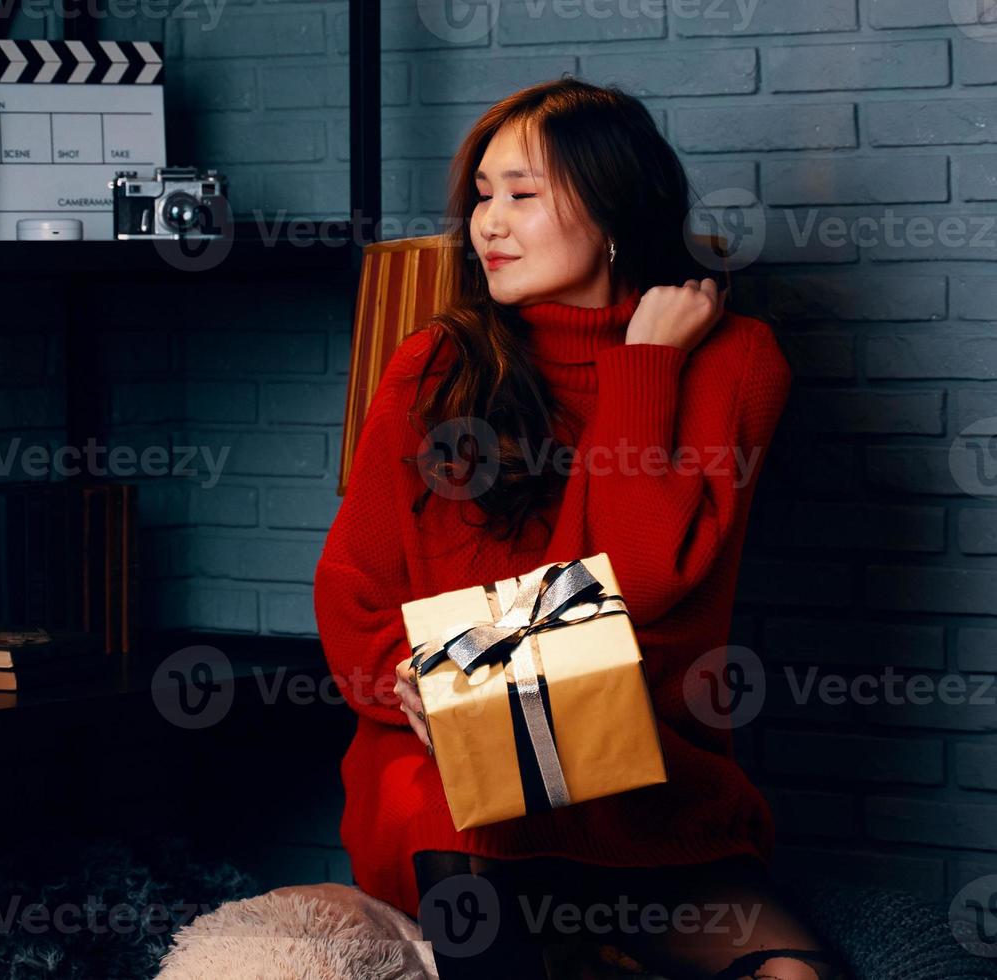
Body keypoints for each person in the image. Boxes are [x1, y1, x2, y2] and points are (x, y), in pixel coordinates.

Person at [313, 78, 844, 979]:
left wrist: (645, 364)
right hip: (453, 765)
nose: (488, 223)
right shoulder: (437, 364)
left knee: (795, 975)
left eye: (522, 194)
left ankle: (595, 940)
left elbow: (641, 579)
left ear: (612, 211)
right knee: (465, 833)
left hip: (637, 772)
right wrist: (405, 680)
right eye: (482, 195)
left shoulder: (735, 361)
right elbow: (353, 581)